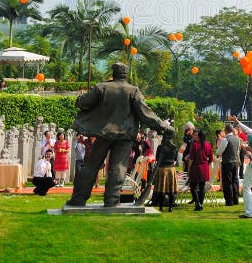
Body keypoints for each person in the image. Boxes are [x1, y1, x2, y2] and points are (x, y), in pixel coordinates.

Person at [66, 62, 173, 208]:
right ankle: (111, 200)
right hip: (124, 136)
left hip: (104, 133)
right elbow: (145, 113)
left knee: (91, 166)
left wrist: (80, 98)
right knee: (118, 167)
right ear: (126, 74)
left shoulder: (102, 87)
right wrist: (162, 126)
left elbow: (83, 103)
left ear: (114, 73)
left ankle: (78, 199)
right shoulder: (133, 91)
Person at [185, 129, 212, 211]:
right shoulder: (208, 145)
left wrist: (189, 169)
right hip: (205, 167)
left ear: (199, 137)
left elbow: (191, 159)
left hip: (196, 168)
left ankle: (198, 203)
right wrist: (206, 164)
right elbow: (211, 158)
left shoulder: (195, 145)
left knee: (193, 186)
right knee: (202, 186)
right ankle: (200, 203)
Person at [154, 133, 179, 212]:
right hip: (171, 168)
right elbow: (175, 158)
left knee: (162, 189)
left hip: (162, 169)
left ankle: (161, 207)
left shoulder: (160, 147)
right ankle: (170, 207)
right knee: (171, 188)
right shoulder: (174, 147)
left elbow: (157, 158)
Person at [215, 123, 240, 206]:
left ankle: (229, 201)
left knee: (227, 182)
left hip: (227, 162)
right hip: (235, 161)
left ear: (225, 130)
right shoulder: (237, 139)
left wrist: (218, 150)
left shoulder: (225, 140)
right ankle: (235, 199)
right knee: (234, 181)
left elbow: (219, 151)